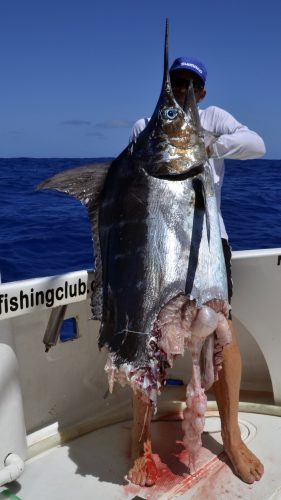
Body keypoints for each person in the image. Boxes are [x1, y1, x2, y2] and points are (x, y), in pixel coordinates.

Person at [127, 56, 266, 487]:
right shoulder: (141, 128)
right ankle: (139, 442)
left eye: (192, 83)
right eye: (177, 80)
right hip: (161, 248)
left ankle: (230, 437)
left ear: (202, 91)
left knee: (221, 336)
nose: (185, 88)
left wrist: (208, 145)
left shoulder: (213, 119)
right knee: (151, 345)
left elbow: (257, 143)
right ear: (167, 85)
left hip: (208, 246)